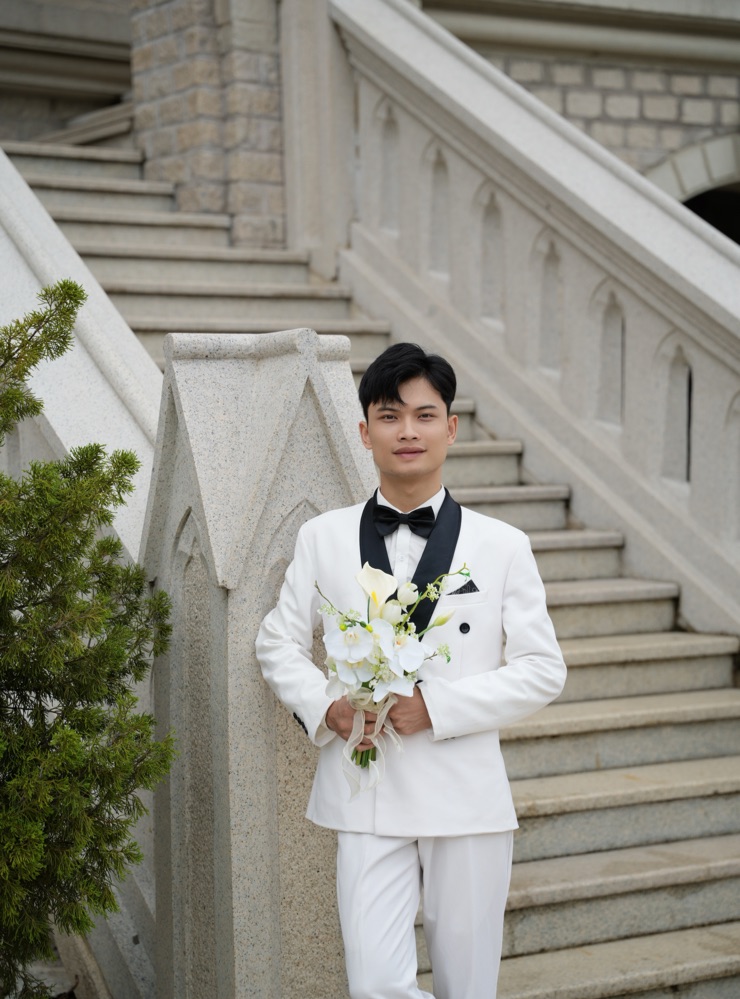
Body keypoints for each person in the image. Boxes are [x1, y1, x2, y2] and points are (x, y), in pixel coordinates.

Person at [256, 342, 566, 999]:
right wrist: (328, 707)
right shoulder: (322, 536)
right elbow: (277, 642)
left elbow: (543, 669)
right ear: (364, 431)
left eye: (424, 416)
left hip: (466, 793)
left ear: (450, 429)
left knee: (468, 987)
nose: (408, 431)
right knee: (374, 986)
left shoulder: (503, 545)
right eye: (390, 416)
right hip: (365, 790)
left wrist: (438, 709)